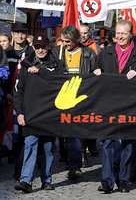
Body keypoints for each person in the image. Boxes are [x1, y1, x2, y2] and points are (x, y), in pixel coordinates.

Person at [94, 20, 136, 194]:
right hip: (109, 104)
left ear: (131, 34)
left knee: (128, 143)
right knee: (107, 143)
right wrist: (96, 72)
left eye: (124, 33)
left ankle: (124, 179)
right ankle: (107, 180)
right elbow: (96, 71)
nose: (119, 36)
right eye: (117, 33)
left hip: (130, 105)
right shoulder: (106, 53)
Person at [13, 34, 65, 193]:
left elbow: (62, 82)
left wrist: (41, 72)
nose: (40, 50)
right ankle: (26, 180)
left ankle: (46, 179)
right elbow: (18, 91)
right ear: (33, 47)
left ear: (49, 46)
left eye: (43, 47)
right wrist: (20, 112)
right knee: (30, 144)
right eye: (37, 47)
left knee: (48, 148)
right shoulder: (25, 64)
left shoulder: (58, 64)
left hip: (50, 113)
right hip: (31, 113)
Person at [52, 25, 97, 180]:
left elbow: (94, 74)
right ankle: (68, 157)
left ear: (76, 39)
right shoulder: (57, 53)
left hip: (80, 99)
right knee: (64, 133)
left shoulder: (88, 53)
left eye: (68, 41)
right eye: (63, 41)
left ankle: (74, 166)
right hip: (62, 98)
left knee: (75, 133)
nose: (65, 44)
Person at [4, 22, 34, 181]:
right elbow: (3, 75)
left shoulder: (32, 52)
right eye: (17, 33)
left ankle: (20, 172)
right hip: (9, 101)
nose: (20, 36)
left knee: (23, 136)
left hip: (25, 101)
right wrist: (6, 92)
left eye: (23, 33)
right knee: (12, 136)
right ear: (12, 34)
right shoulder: (6, 53)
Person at [79, 23, 100, 165]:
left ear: (90, 33)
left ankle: (88, 146)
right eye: (81, 32)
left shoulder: (95, 49)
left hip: (89, 89)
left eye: (85, 33)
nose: (83, 35)